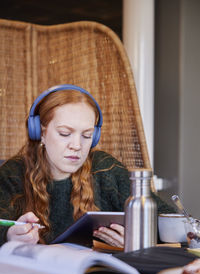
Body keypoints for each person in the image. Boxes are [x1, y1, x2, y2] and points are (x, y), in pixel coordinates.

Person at [0, 84, 175, 247]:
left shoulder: (106, 169)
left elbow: (171, 221)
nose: (77, 145)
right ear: (40, 133)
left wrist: (136, 240)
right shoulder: (12, 174)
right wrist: (8, 236)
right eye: (65, 133)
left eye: (86, 135)